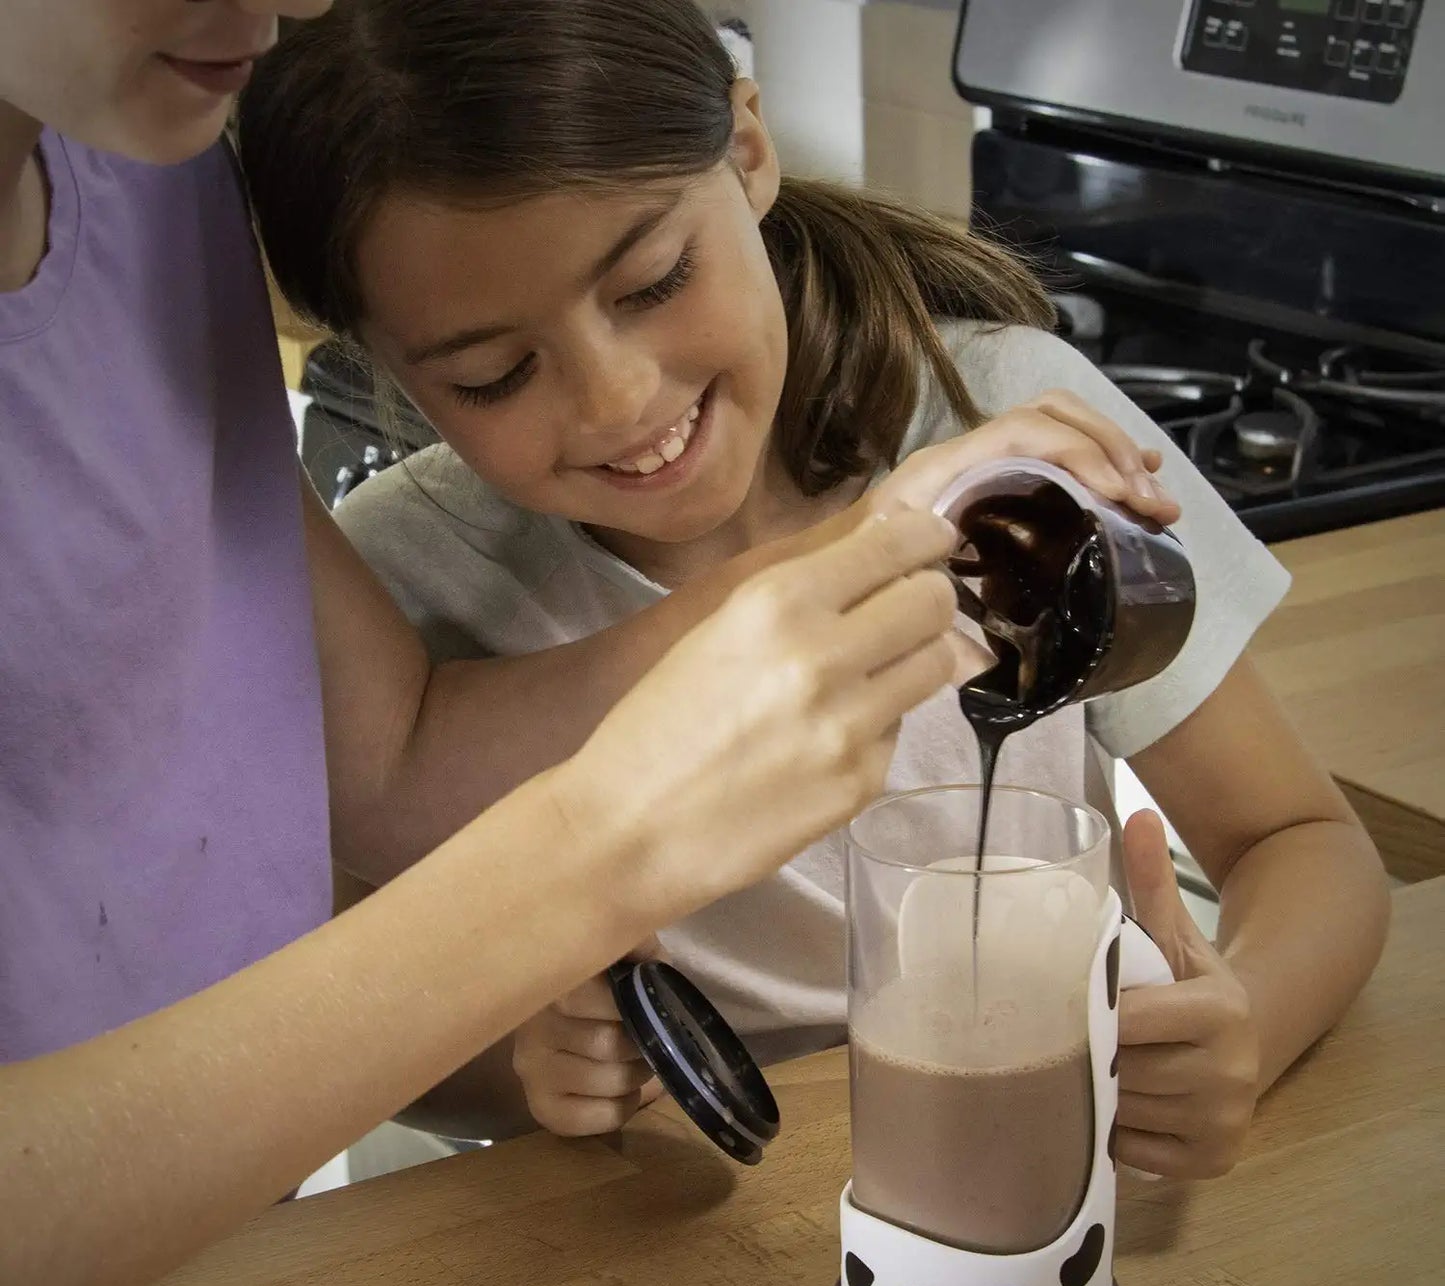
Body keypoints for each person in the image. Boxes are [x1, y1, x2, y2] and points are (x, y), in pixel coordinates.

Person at [0, 0, 1024, 1286]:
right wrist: (591, 861)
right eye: (489, 371)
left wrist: (867, 551)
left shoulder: (148, 154)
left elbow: (384, 769)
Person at [238, 0, 1390, 1184]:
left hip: (1030, 1180)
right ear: (386, 367)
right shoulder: (401, 595)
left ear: (745, 151)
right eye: (496, 373)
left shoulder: (1004, 424)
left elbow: (1298, 841)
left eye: (651, 281)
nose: (617, 401)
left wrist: (1243, 1016)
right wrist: (521, 1060)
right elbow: (353, 1032)